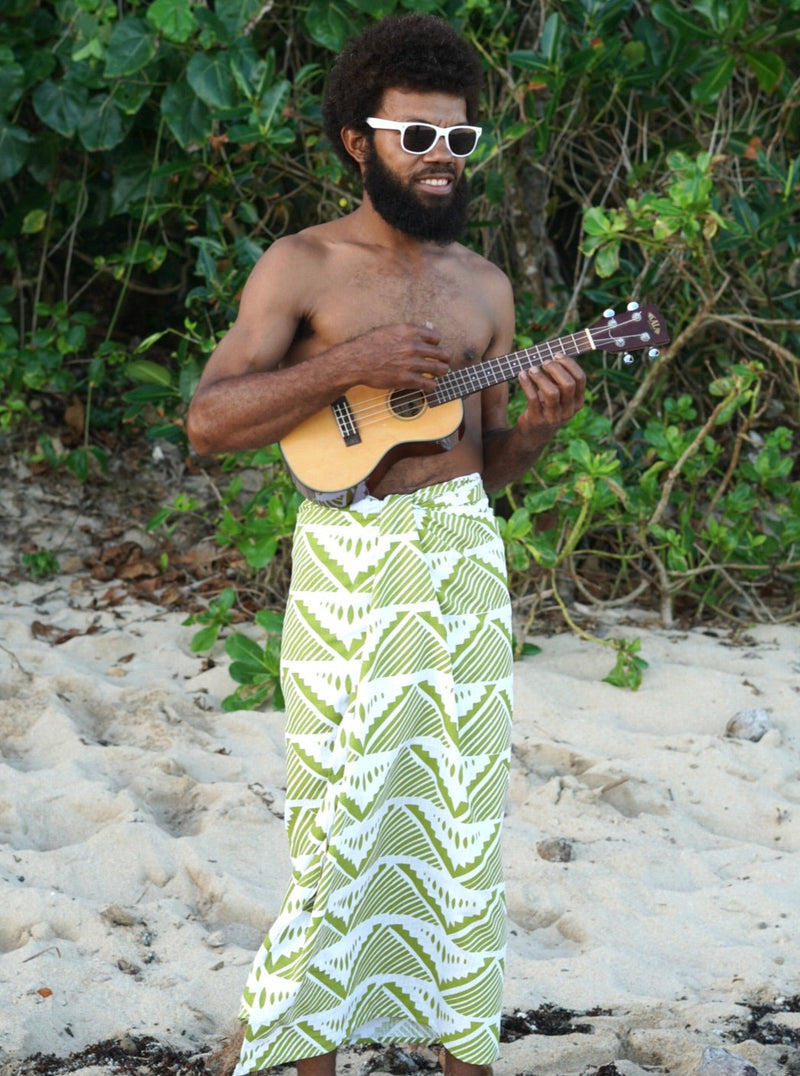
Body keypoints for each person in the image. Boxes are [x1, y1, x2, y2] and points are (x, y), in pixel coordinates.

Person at [187, 13, 585, 1076]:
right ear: (357, 141)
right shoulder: (301, 266)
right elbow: (210, 421)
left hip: (460, 559)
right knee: (338, 812)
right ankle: (288, 1049)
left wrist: (538, 425)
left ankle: (461, 1052)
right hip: (350, 568)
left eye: (457, 140)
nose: (440, 160)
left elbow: (489, 467)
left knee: (459, 818)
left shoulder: (487, 291)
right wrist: (345, 362)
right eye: (416, 137)